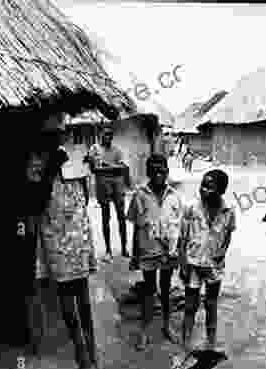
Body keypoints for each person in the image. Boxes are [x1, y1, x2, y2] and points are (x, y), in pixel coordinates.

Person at [26, 130, 104, 369]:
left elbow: (85, 195)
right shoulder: (37, 164)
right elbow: (34, 203)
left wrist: (89, 167)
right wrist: (50, 172)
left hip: (78, 235)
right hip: (55, 235)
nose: (60, 143)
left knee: (83, 296)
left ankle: (92, 353)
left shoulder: (75, 160)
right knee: (67, 296)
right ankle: (82, 355)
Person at [127, 154, 183, 350]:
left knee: (166, 290)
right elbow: (136, 227)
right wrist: (134, 255)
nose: (159, 173)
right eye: (154, 170)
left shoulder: (174, 196)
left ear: (167, 171)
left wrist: (179, 254)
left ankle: (167, 326)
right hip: (148, 251)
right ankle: (145, 331)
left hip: (168, 252)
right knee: (149, 292)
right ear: (148, 172)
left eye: (162, 169)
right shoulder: (140, 195)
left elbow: (179, 229)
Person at [179, 169, 236, 350]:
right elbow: (182, 239)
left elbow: (228, 235)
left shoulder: (228, 211)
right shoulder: (191, 208)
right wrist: (183, 264)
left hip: (213, 265)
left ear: (221, 190)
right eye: (202, 185)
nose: (203, 189)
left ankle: (210, 343)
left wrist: (222, 252)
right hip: (193, 263)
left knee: (211, 304)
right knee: (190, 306)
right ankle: (185, 343)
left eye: (209, 187)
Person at [85, 126, 131, 262]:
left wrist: (105, 167)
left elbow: (123, 168)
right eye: (105, 135)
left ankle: (124, 248)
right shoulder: (95, 149)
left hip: (117, 185)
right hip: (103, 186)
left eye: (110, 135)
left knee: (121, 217)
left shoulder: (116, 150)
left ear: (112, 137)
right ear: (101, 136)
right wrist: (112, 168)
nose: (107, 138)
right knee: (106, 218)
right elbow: (94, 169)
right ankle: (108, 250)